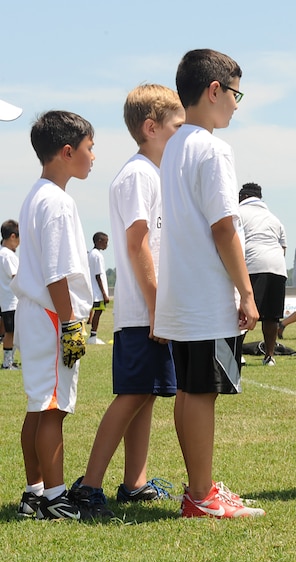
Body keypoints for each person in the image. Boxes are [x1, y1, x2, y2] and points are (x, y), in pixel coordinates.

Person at [155, 48, 264, 518]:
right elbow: (224, 226)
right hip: (204, 291)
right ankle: (201, 496)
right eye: (236, 93)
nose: (237, 105)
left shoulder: (175, 144)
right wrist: (246, 289)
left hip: (182, 290)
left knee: (189, 390)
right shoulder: (214, 147)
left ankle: (198, 489)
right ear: (214, 90)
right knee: (201, 392)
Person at [68, 84, 184, 519]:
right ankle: (89, 485)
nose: (183, 134)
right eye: (177, 126)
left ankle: (134, 483)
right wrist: (157, 308)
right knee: (132, 396)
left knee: (146, 395)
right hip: (143, 311)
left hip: (151, 310)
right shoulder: (138, 174)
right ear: (151, 128)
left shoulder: (153, 173)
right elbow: (138, 244)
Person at [12, 110, 95, 520]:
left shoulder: (35, 195)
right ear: (67, 151)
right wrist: (70, 323)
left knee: (37, 404)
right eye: (89, 147)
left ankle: (35, 492)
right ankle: (56, 498)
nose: (93, 156)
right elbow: (57, 272)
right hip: (50, 312)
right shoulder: (59, 202)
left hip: (34, 310)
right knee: (52, 407)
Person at [237, 182, 289, 366]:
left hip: (253, 265)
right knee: (272, 316)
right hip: (277, 267)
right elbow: (283, 247)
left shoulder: (239, 213)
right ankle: (269, 356)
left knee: (243, 311)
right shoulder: (274, 219)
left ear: (242, 197)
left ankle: (237, 354)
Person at [0, 219, 20, 369]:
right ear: (13, 236)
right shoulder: (8, 255)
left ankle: (10, 360)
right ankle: (7, 363)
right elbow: (16, 277)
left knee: (12, 332)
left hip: (7, 300)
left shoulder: (3, 253)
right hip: (12, 301)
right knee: (10, 333)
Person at [87, 231, 110, 344]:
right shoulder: (98, 256)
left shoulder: (91, 253)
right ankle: (93, 336)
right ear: (99, 241)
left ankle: (92, 335)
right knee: (98, 311)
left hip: (92, 289)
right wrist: (104, 294)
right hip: (98, 291)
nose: (107, 245)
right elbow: (98, 275)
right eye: (106, 242)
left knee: (95, 311)